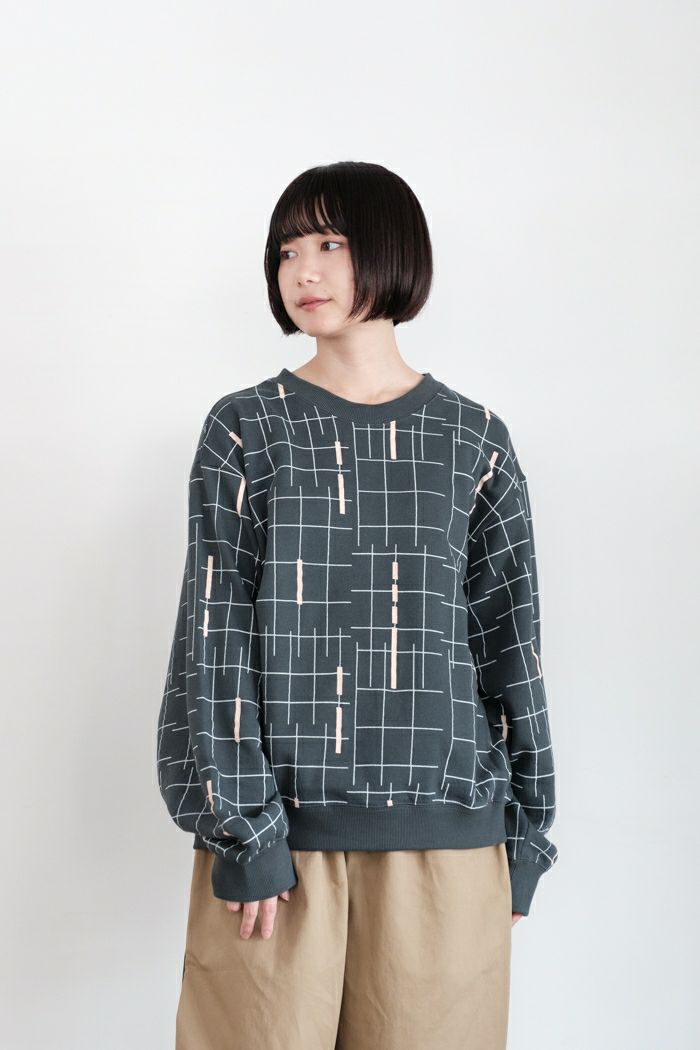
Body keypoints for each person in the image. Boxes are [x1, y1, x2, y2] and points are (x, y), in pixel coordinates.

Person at [156, 160, 558, 1050]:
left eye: (330, 244)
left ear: (391, 249)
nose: (303, 271)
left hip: (448, 848)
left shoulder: (474, 440)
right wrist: (246, 831)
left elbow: (509, 642)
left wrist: (525, 839)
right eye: (286, 251)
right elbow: (214, 640)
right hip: (278, 845)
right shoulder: (245, 429)